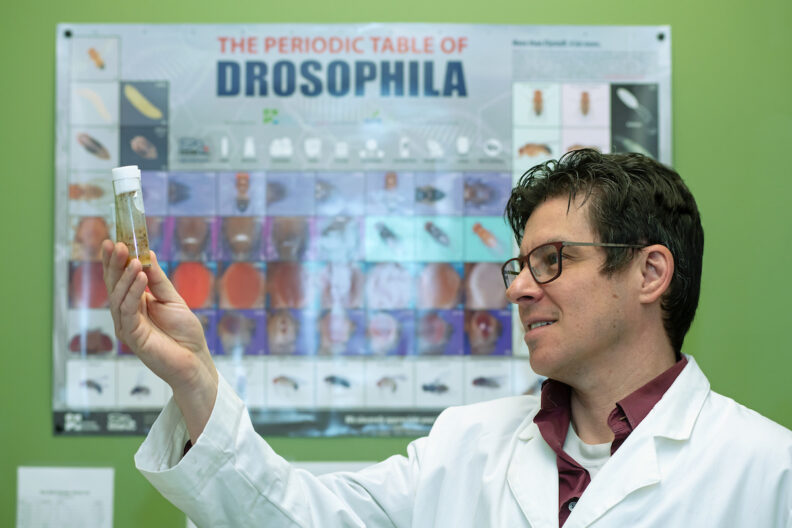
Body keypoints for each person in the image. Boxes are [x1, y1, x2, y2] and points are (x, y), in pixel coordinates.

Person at [102, 149, 792, 527]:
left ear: (649, 272)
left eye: (552, 260)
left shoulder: (767, 474)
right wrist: (194, 376)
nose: (519, 287)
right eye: (519, 265)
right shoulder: (466, 448)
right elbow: (301, 519)